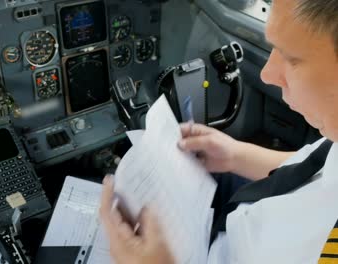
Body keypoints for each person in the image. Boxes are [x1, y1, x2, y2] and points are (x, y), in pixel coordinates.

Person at [99, 0, 338, 263]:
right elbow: (317, 168)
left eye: (292, 59)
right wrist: (234, 155)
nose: (267, 75)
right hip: (239, 221)